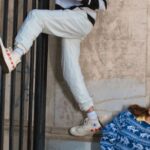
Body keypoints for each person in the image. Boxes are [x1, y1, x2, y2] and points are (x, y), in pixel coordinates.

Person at [0, 0, 107, 136]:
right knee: (69, 70)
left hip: (80, 17)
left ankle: (15, 56)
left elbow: (102, 4)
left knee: (36, 17)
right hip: (72, 18)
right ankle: (92, 118)